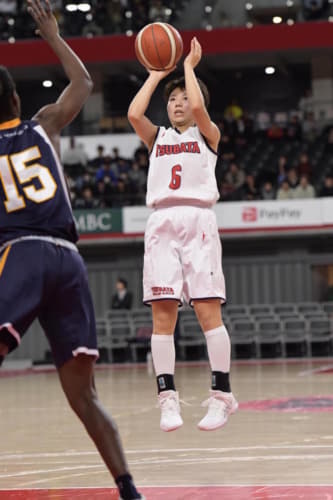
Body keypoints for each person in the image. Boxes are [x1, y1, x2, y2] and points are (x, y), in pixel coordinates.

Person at [0, 2, 143, 499]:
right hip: (68, 258)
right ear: (16, 98)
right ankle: (129, 489)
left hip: (21, 253)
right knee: (84, 395)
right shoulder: (44, 124)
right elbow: (82, 83)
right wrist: (53, 36)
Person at [128, 36, 238, 432]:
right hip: (161, 225)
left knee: (209, 314)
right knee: (163, 318)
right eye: (171, 99)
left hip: (198, 223)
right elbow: (134, 113)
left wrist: (188, 68)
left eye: (181, 98)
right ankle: (167, 399)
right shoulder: (158, 138)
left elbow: (196, 106)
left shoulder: (207, 135)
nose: (176, 104)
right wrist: (156, 75)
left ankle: (223, 395)